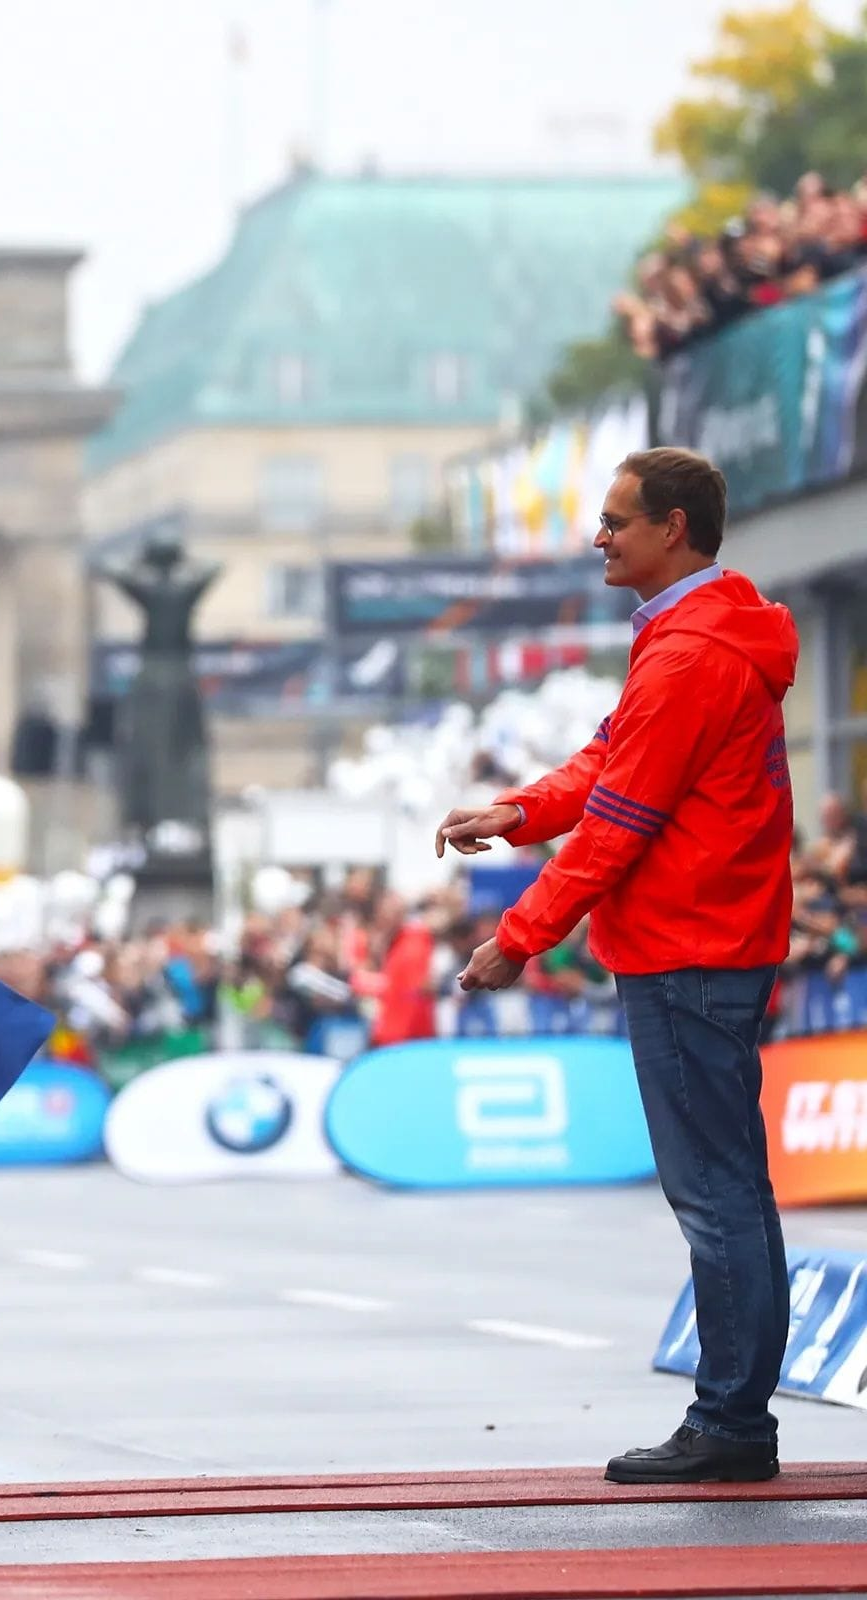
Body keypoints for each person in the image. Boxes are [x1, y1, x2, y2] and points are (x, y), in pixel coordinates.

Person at [437, 449, 797, 1485]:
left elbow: (625, 817)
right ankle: (737, 1414)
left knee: (716, 1194)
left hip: (689, 941)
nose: (599, 537)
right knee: (734, 1189)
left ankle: (731, 1421)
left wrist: (521, 934)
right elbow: (611, 761)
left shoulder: (688, 653)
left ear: (673, 529)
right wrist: (520, 812)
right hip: (714, 935)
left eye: (616, 521)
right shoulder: (698, 632)